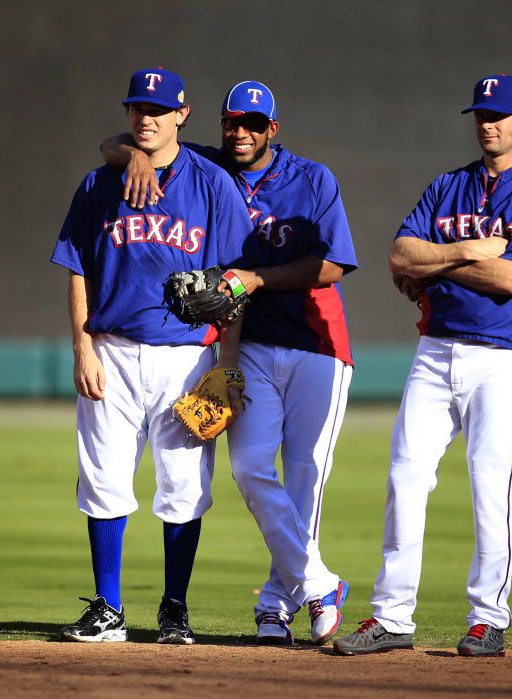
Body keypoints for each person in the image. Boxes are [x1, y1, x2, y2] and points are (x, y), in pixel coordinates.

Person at [102, 80, 358, 645]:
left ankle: (274, 604)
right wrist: (137, 157)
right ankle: (319, 586)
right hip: (250, 347)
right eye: (231, 122)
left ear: (273, 129)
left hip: (318, 345)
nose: (240, 133)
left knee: (305, 479)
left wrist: (258, 278)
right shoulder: (204, 167)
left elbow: (334, 265)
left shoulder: (312, 179)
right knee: (249, 469)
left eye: (252, 124)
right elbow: (113, 143)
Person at [334, 74, 512, 657]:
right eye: (480, 114)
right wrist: (466, 251)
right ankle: (391, 618)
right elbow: (397, 254)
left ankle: (488, 618)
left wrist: (433, 264)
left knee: (491, 487)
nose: (488, 123)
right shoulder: (446, 186)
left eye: (500, 114)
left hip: (507, 358)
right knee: (406, 478)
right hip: (435, 348)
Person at [51, 67, 255, 645]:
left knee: (185, 485)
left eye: (159, 109)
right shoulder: (98, 184)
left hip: (186, 357)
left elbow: (233, 281)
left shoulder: (213, 185)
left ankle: (174, 610)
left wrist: (227, 365)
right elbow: (75, 267)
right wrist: (82, 346)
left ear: (181, 116)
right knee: (102, 479)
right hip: (110, 350)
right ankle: (108, 610)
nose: (147, 118)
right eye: (138, 108)